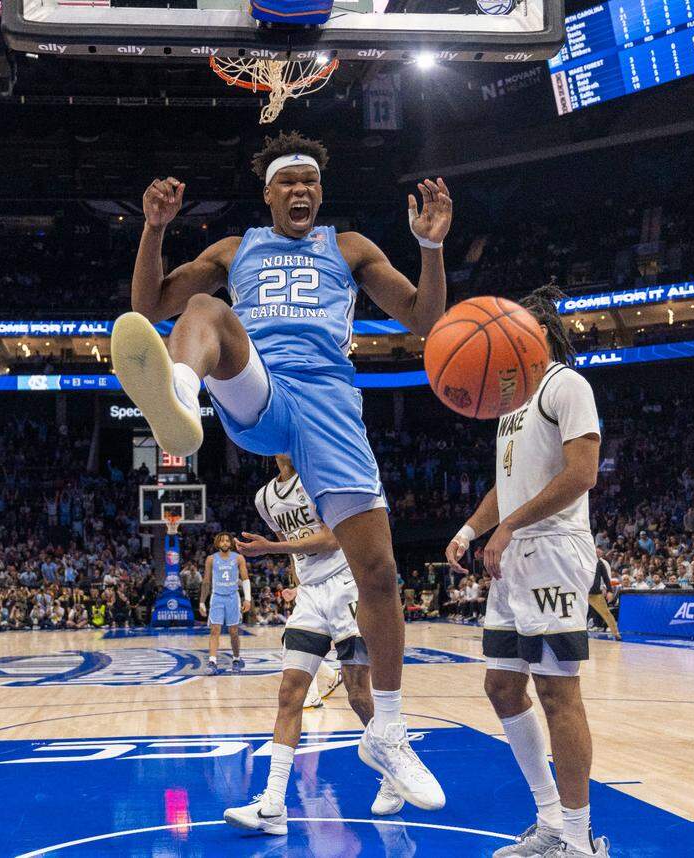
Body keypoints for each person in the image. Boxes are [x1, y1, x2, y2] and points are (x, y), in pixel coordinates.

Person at [113, 131, 447, 811]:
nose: (300, 191)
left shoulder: (348, 247)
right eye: (288, 183)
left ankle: (387, 730)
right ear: (268, 193)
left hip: (329, 403)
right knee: (206, 310)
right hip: (259, 387)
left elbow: (426, 318)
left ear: (319, 193)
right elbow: (149, 308)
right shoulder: (235, 249)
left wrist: (432, 245)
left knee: (379, 573)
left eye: (310, 183)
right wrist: (153, 231)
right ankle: (181, 391)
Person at [447, 285, 609, 858]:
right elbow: (507, 483)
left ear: (537, 331)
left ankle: (579, 837)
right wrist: (472, 529)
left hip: (554, 549)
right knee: (501, 685)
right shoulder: (509, 401)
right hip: (513, 553)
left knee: (557, 693)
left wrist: (510, 526)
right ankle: (549, 823)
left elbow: (581, 473)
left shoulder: (567, 384)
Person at [223, 455, 402, 834]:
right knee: (290, 693)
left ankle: (394, 772)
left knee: (358, 694)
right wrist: (294, 578)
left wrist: (271, 547)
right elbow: (298, 546)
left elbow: (331, 537)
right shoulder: (264, 498)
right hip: (310, 595)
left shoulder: (319, 476)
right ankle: (273, 806)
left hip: (346, 585)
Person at [199, 533, 251, 674]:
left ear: (231, 543)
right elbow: (206, 581)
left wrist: (248, 599)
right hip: (217, 597)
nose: (225, 543)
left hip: (233, 597)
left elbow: (245, 578)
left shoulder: (238, 558)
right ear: (217, 543)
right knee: (214, 630)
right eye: (222, 541)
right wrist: (202, 602)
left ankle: (236, 658)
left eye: (227, 541)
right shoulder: (211, 559)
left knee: (233, 631)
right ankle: (212, 662)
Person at [588, 548, 621, 640]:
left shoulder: (600, 563)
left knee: (606, 613)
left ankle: (616, 633)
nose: (597, 554)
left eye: (599, 553)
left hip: (595, 593)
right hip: (582, 592)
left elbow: (606, 578)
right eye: (596, 552)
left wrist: (609, 590)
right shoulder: (583, 561)